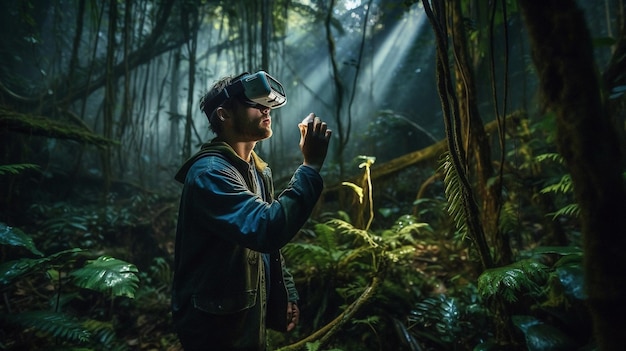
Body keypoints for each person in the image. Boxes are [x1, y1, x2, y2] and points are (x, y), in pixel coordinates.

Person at [171, 70, 331, 351]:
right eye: (255, 104)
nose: (266, 109)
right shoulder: (210, 173)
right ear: (224, 114)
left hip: (243, 317)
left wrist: (286, 291)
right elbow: (266, 229)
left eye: (268, 104)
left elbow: (264, 249)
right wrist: (310, 167)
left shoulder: (257, 170)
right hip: (215, 330)